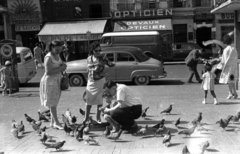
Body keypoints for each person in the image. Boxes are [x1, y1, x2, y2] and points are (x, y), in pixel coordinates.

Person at [83, 41, 115, 124]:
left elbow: (111, 65)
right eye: (96, 51)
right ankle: (86, 118)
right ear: (92, 50)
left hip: (100, 81)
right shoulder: (89, 58)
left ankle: (98, 117)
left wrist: (107, 67)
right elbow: (87, 69)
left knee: (99, 100)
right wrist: (92, 71)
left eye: (99, 50)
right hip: (91, 81)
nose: (98, 52)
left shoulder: (103, 57)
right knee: (88, 100)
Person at [40, 40, 67, 130]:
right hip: (50, 82)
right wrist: (61, 68)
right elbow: (48, 72)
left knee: (55, 101)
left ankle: (52, 122)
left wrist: (62, 66)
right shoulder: (48, 57)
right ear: (52, 48)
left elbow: (59, 65)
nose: (59, 51)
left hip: (56, 81)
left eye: (60, 49)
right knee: (52, 102)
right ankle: (56, 122)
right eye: (57, 50)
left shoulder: (57, 55)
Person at [219, 33, 238, 99]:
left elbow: (224, 60)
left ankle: (231, 93)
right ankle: (234, 93)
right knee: (232, 81)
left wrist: (222, 66)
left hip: (228, 67)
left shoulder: (226, 50)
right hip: (234, 67)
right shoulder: (234, 48)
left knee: (229, 81)